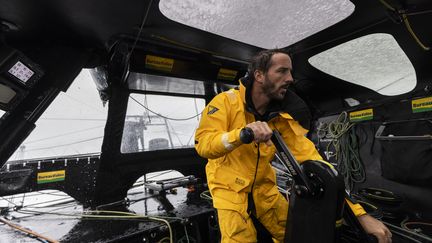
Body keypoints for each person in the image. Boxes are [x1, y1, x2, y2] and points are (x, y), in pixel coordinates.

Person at [194, 49, 392, 243]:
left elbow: (315, 162)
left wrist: (360, 215)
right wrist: (243, 134)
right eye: (282, 71)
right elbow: (204, 145)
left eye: (290, 72)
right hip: (230, 191)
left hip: (265, 189)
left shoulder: (281, 117)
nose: (290, 78)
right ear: (259, 75)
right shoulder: (225, 102)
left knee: (297, 233)